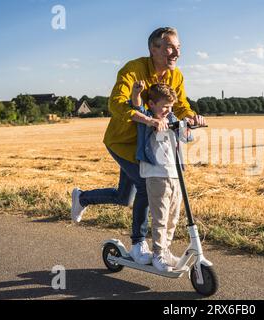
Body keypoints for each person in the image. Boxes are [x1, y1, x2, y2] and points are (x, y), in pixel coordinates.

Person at [70, 27, 206, 265]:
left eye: (179, 48)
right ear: (153, 49)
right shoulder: (133, 70)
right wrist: (149, 119)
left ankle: (82, 198)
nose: (176, 53)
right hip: (124, 142)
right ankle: (137, 245)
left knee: (125, 198)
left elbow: (181, 105)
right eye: (170, 47)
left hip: (148, 147)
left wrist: (193, 117)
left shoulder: (176, 76)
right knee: (145, 186)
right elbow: (117, 104)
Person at [133, 82, 191, 272]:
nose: (168, 110)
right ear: (152, 104)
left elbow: (186, 137)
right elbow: (137, 108)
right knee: (160, 218)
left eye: (171, 106)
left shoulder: (173, 118)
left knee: (172, 218)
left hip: (175, 175)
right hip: (156, 175)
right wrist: (136, 93)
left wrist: (191, 124)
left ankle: (165, 250)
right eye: (165, 106)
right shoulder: (148, 118)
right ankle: (158, 253)